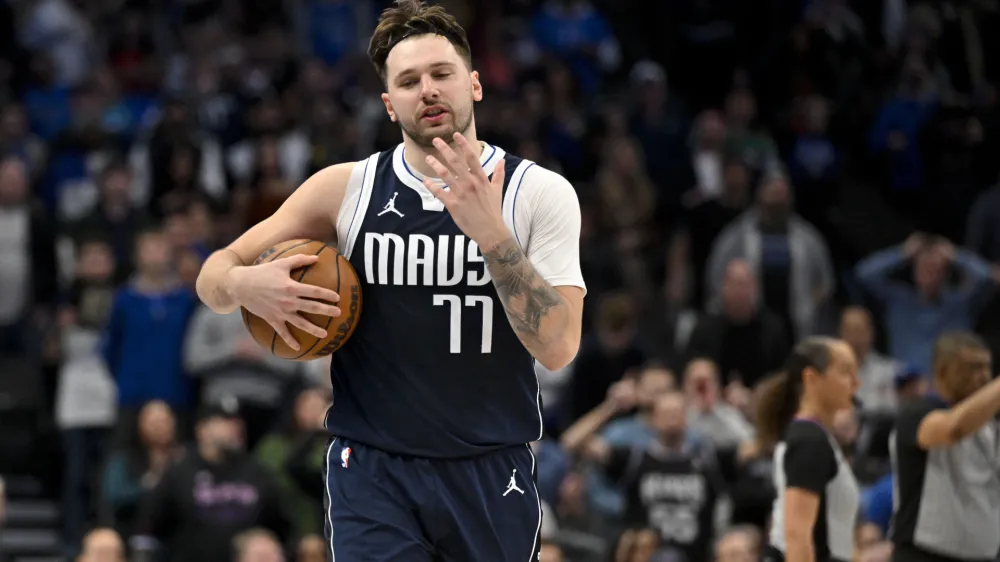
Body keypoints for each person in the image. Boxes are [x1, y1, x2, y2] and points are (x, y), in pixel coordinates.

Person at [193, 0, 586, 559]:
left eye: (441, 74)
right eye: (408, 81)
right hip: (373, 464)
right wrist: (243, 287)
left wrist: (494, 238)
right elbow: (215, 272)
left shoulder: (538, 193)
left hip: (492, 466)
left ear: (474, 85)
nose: (427, 90)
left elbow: (559, 346)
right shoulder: (346, 188)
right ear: (388, 103)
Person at [890, 332, 1000, 562]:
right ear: (942, 371)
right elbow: (953, 430)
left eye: (986, 367)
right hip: (925, 554)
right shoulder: (917, 412)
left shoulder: (991, 425)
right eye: (972, 368)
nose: (984, 376)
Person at [757, 337, 861, 562]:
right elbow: (797, 536)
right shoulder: (809, 440)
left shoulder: (813, 436)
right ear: (811, 378)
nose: (856, 383)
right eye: (845, 372)